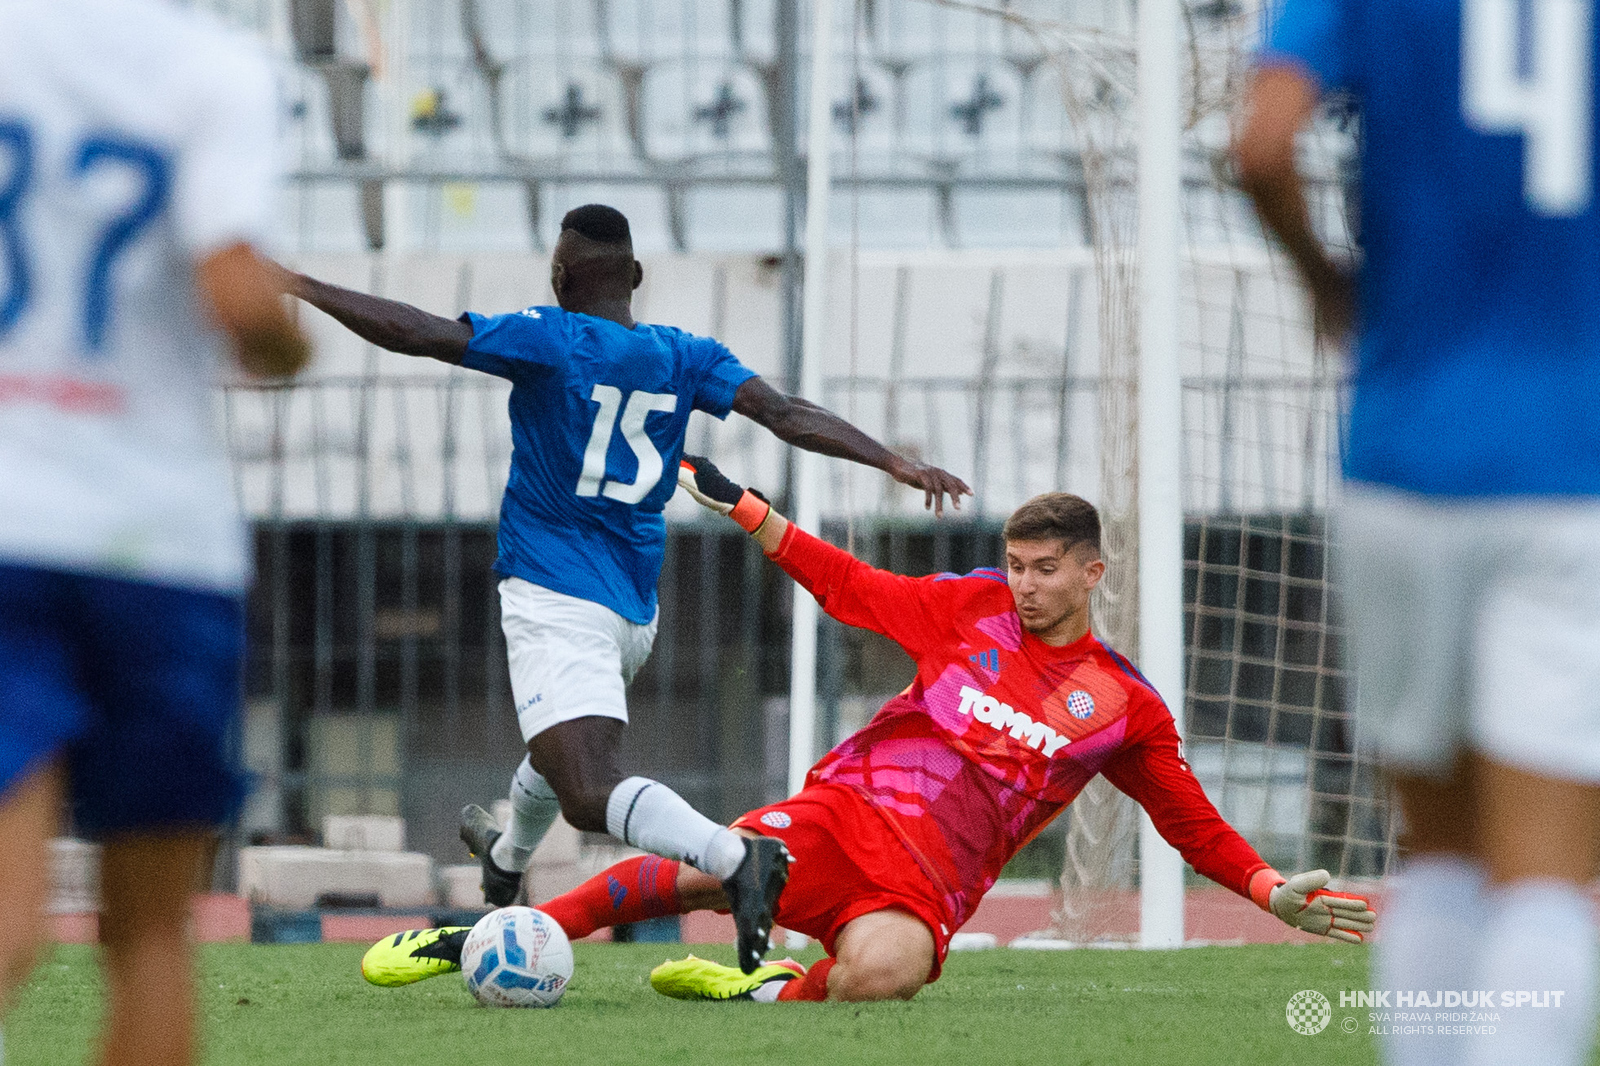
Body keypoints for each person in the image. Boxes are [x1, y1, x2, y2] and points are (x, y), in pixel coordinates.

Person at [360, 457, 1375, 1002]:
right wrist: (753, 509)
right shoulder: (968, 606)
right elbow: (852, 587)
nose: (1023, 584)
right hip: (840, 817)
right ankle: (485, 935)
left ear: (1091, 574)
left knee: (885, 974)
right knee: (703, 868)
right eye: (1016, 564)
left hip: (923, 888)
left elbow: (1188, 819)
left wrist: (1265, 888)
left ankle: (759, 993)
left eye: (1045, 569)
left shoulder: (1123, 706)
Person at [290, 204, 970, 971]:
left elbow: (419, 332)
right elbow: (785, 413)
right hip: (635, 612)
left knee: (585, 788)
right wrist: (892, 462)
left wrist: (303, 284)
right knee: (556, 749)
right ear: (637, 277)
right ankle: (507, 861)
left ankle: (737, 858)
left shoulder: (552, 336)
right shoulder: (685, 354)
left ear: (560, 276)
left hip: (555, 591)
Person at [1236, 5, 1600, 1065]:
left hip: (1399, 455)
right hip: (1570, 468)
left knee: (1436, 857)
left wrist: (1323, 284)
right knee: (1544, 876)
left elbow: (1259, 142)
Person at [0, 2, 308, 1063]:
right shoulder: (212, 69)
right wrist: (289, 343)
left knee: (5, 921)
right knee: (149, 937)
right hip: (157, 545)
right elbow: (240, 301)